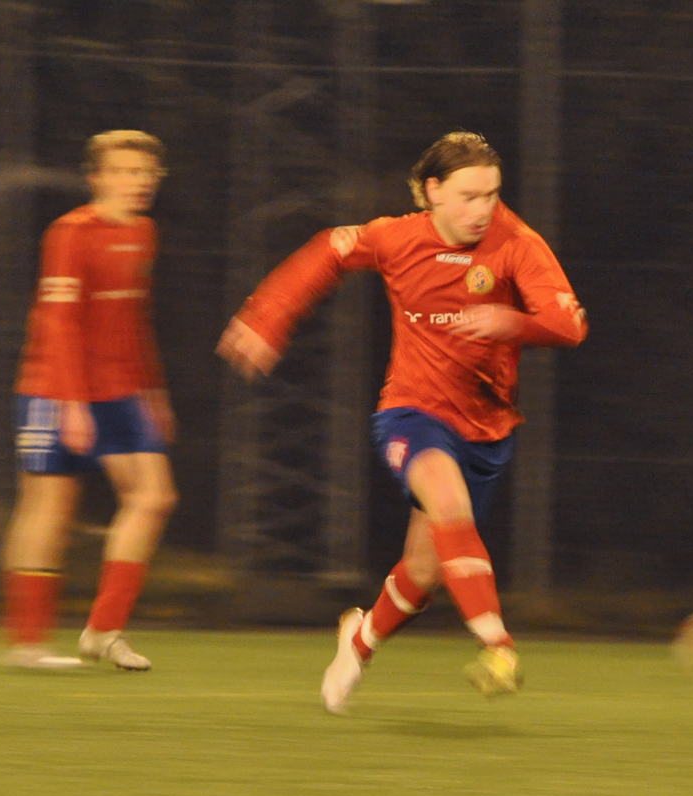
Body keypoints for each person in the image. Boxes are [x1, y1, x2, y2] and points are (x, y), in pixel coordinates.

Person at [216, 131, 588, 714]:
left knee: (423, 571)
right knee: (449, 505)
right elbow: (328, 250)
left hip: (486, 427)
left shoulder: (517, 243)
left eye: (492, 195)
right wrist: (268, 316)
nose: (483, 209)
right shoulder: (396, 237)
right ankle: (498, 645)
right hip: (412, 413)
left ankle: (359, 641)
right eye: (468, 196)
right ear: (433, 191)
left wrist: (511, 322)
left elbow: (570, 324)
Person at [0, 130, 178, 670]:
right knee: (48, 508)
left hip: (120, 389)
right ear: (96, 178)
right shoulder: (71, 233)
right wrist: (72, 404)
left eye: (145, 172)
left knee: (154, 497)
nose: (137, 182)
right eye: (123, 171)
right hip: (55, 387)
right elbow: (59, 323)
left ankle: (103, 629)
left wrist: (154, 391)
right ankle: (26, 645)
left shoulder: (144, 232)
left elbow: (135, 319)